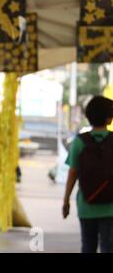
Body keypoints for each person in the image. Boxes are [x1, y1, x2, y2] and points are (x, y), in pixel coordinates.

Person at [63, 96, 113, 253]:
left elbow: (72, 174)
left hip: (86, 204)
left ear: (88, 116)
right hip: (110, 207)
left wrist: (66, 201)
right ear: (109, 118)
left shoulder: (79, 142)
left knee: (88, 245)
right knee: (108, 247)